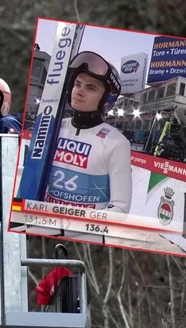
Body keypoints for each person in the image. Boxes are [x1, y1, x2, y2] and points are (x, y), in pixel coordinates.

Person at [43, 51, 132, 213]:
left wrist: (82, 227)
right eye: (77, 84)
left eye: (90, 88)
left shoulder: (117, 142)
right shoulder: (52, 128)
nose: (79, 91)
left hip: (84, 234)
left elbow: (120, 207)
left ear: (107, 99)